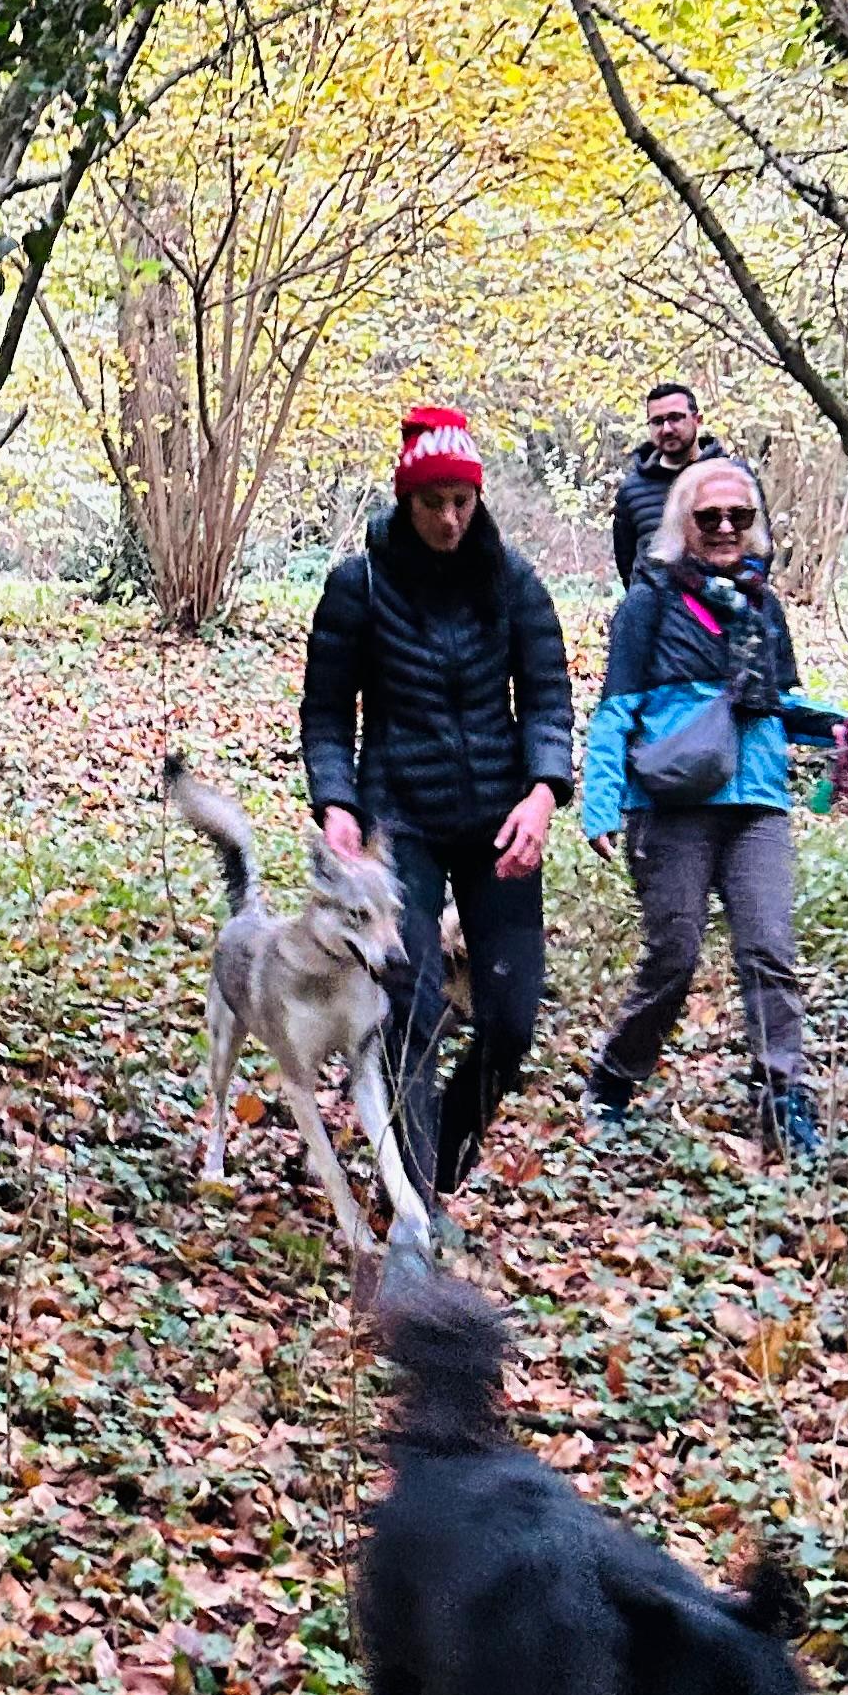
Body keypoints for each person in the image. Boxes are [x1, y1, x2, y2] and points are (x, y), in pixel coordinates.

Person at [300, 407, 575, 1225]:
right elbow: (326, 713)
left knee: (512, 1021)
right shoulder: (360, 585)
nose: (450, 519)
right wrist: (338, 803)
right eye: (433, 503)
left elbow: (548, 698)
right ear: (406, 501)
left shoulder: (514, 581)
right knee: (413, 1010)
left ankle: (440, 1157)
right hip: (401, 823)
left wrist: (543, 793)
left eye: (463, 501)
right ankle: (415, 1210)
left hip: (499, 820)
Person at [582, 455, 848, 1160]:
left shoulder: (763, 605)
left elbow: (777, 702)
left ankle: (784, 1099)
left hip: (758, 801)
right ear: (682, 521)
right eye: (708, 516)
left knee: (770, 951)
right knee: (673, 957)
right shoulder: (649, 602)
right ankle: (614, 1077)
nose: (724, 528)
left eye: (739, 516)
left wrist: (836, 725)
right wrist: (601, 804)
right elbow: (616, 710)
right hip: (670, 801)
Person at [612, 382, 725, 586]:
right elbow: (626, 564)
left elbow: (757, 547)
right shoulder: (632, 491)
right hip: (655, 603)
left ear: (697, 420)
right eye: (657, 421)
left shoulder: (731, 479)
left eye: (675, 418)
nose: (666, 429)